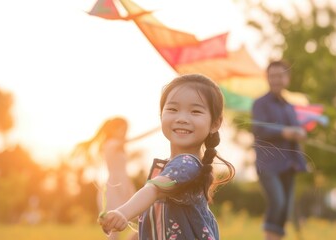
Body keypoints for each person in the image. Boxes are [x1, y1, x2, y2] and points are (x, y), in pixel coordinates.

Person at [98, 73, 235, 240]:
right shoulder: (170, 165)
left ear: (215, 123)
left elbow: (154, 189)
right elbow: (155, 217)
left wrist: (123, 212)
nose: (182, 118)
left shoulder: (186, 164)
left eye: (195, 111)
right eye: (173, 109)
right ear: (161, 115)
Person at [73, 117, 157, 240]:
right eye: (122, 129)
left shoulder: (118, 146)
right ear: (112, 129)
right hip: (114, 187)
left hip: (125, 184)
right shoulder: (111, 144)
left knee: (142, 219)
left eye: (125, 129)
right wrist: (155, 129)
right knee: (114, 228)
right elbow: (134, 139)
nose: (124, 132)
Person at [252, 60, 308, 240]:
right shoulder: (260, 104)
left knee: (285, 208)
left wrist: (300, 134)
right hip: (268, 165)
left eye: (280, 75)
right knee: (277, 202)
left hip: (289, 165)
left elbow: (296, 133)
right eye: (272, 76)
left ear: (287, 79)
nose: (276, 79)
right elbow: (259, 129)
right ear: (267, 78)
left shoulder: (290, 107)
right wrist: (285, 131)